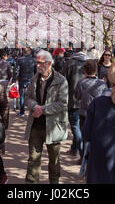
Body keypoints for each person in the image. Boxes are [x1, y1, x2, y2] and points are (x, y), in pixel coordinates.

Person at [24, 50, 68, 184]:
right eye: (36, 62)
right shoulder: (34, 79)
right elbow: (27, 97)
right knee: (33, 159)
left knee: (54, 160)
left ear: (49, 64)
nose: (37, 65)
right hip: (35, 126)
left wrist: (42, 109)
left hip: (53, 127)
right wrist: (35, 106)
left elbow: (62, 103)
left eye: (40, 63)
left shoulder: (61, 81)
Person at [75, 59, 108, 161]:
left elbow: (77, 97)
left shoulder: (81, 82)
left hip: (84, 112)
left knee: (84, 135)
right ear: (96, 70)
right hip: (98, 113)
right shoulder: (102, 84)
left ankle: (83, 157)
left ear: (84, 70)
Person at [62, 42, 88, 160]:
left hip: (73, 99)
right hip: (86, 100)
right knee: (80, 125)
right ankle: (74, 148)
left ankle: (81, 152)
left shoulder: (70, 63)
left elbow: (63, 80)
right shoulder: (90, 62)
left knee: (75, 126)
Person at [13, 47, 36, 117]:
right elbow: (36, 70)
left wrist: (14, 79)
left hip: (22, 79)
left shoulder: (19, 60)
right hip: (31, 79)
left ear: (23, 52)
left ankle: (22, 112)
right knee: (33, 96)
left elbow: (16, 70)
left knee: (22, 96)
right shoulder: (33, 60)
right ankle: (33, 111)